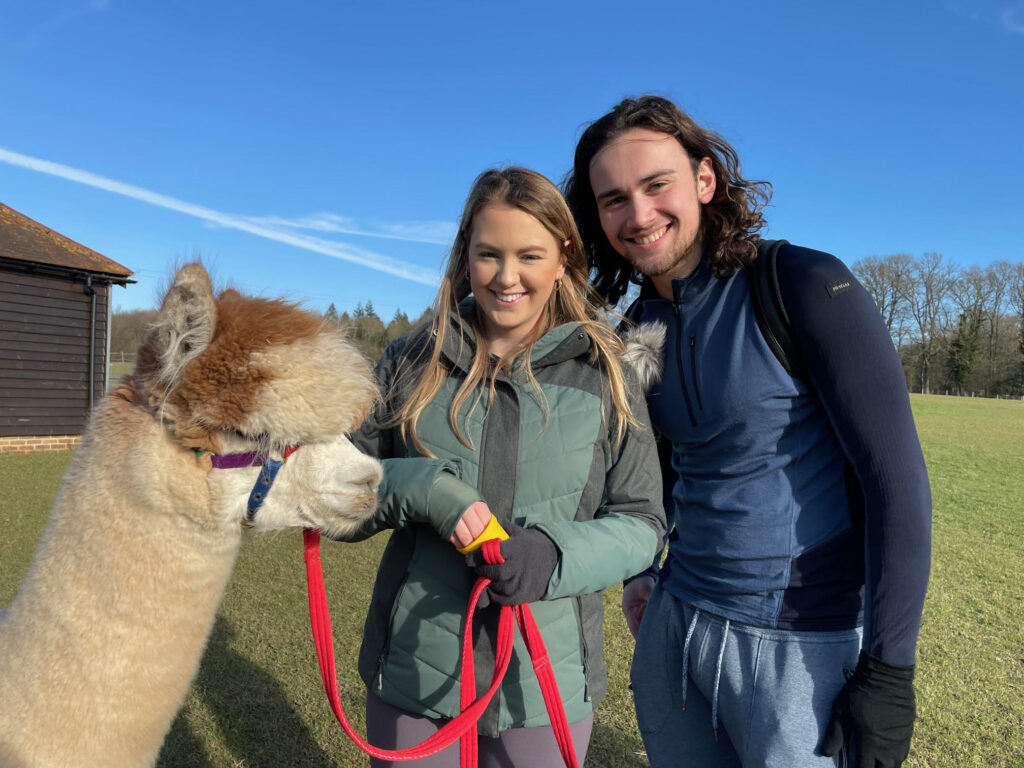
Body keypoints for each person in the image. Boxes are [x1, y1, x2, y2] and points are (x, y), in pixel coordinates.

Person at [563, 95, 932, 768]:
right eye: (613, 199)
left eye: (656, 185)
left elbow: (897, 483)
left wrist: (889, 671)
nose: (638, 215)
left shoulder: (805, 284)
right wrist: (642, 574)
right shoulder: (639, 329)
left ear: (705, 181)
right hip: (674, 625)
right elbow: (661, 465)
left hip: (797, 645)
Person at [344, 166, 667, 767]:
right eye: (489, 254)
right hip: (416, 676)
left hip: (546, 692)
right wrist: (425, 490)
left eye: (529, 255)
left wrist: (550, 556)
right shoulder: (411, 360)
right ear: (465, 253)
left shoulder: (606, 373)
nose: (507, 277)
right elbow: (340, 501)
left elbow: (643, 523)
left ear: (564, 257)